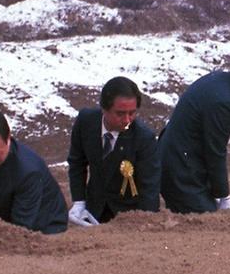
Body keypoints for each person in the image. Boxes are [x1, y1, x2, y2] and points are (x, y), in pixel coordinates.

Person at [159, 48, 230, 213]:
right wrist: (224, 196)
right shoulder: (223, 101)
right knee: (205, 222)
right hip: (180, 169)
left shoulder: (224, 84)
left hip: (180, 161)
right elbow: (215, 151)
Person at [66, 77, 160, 225]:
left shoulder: (144, 138)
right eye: (120, 113)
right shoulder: (86, 121)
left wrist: (145, 223)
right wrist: (79, 201)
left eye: (132, 113)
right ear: (104, 109)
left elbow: (150, 189)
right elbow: (77, 162)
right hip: (93, 210)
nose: (127, 120)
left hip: (128, 215)